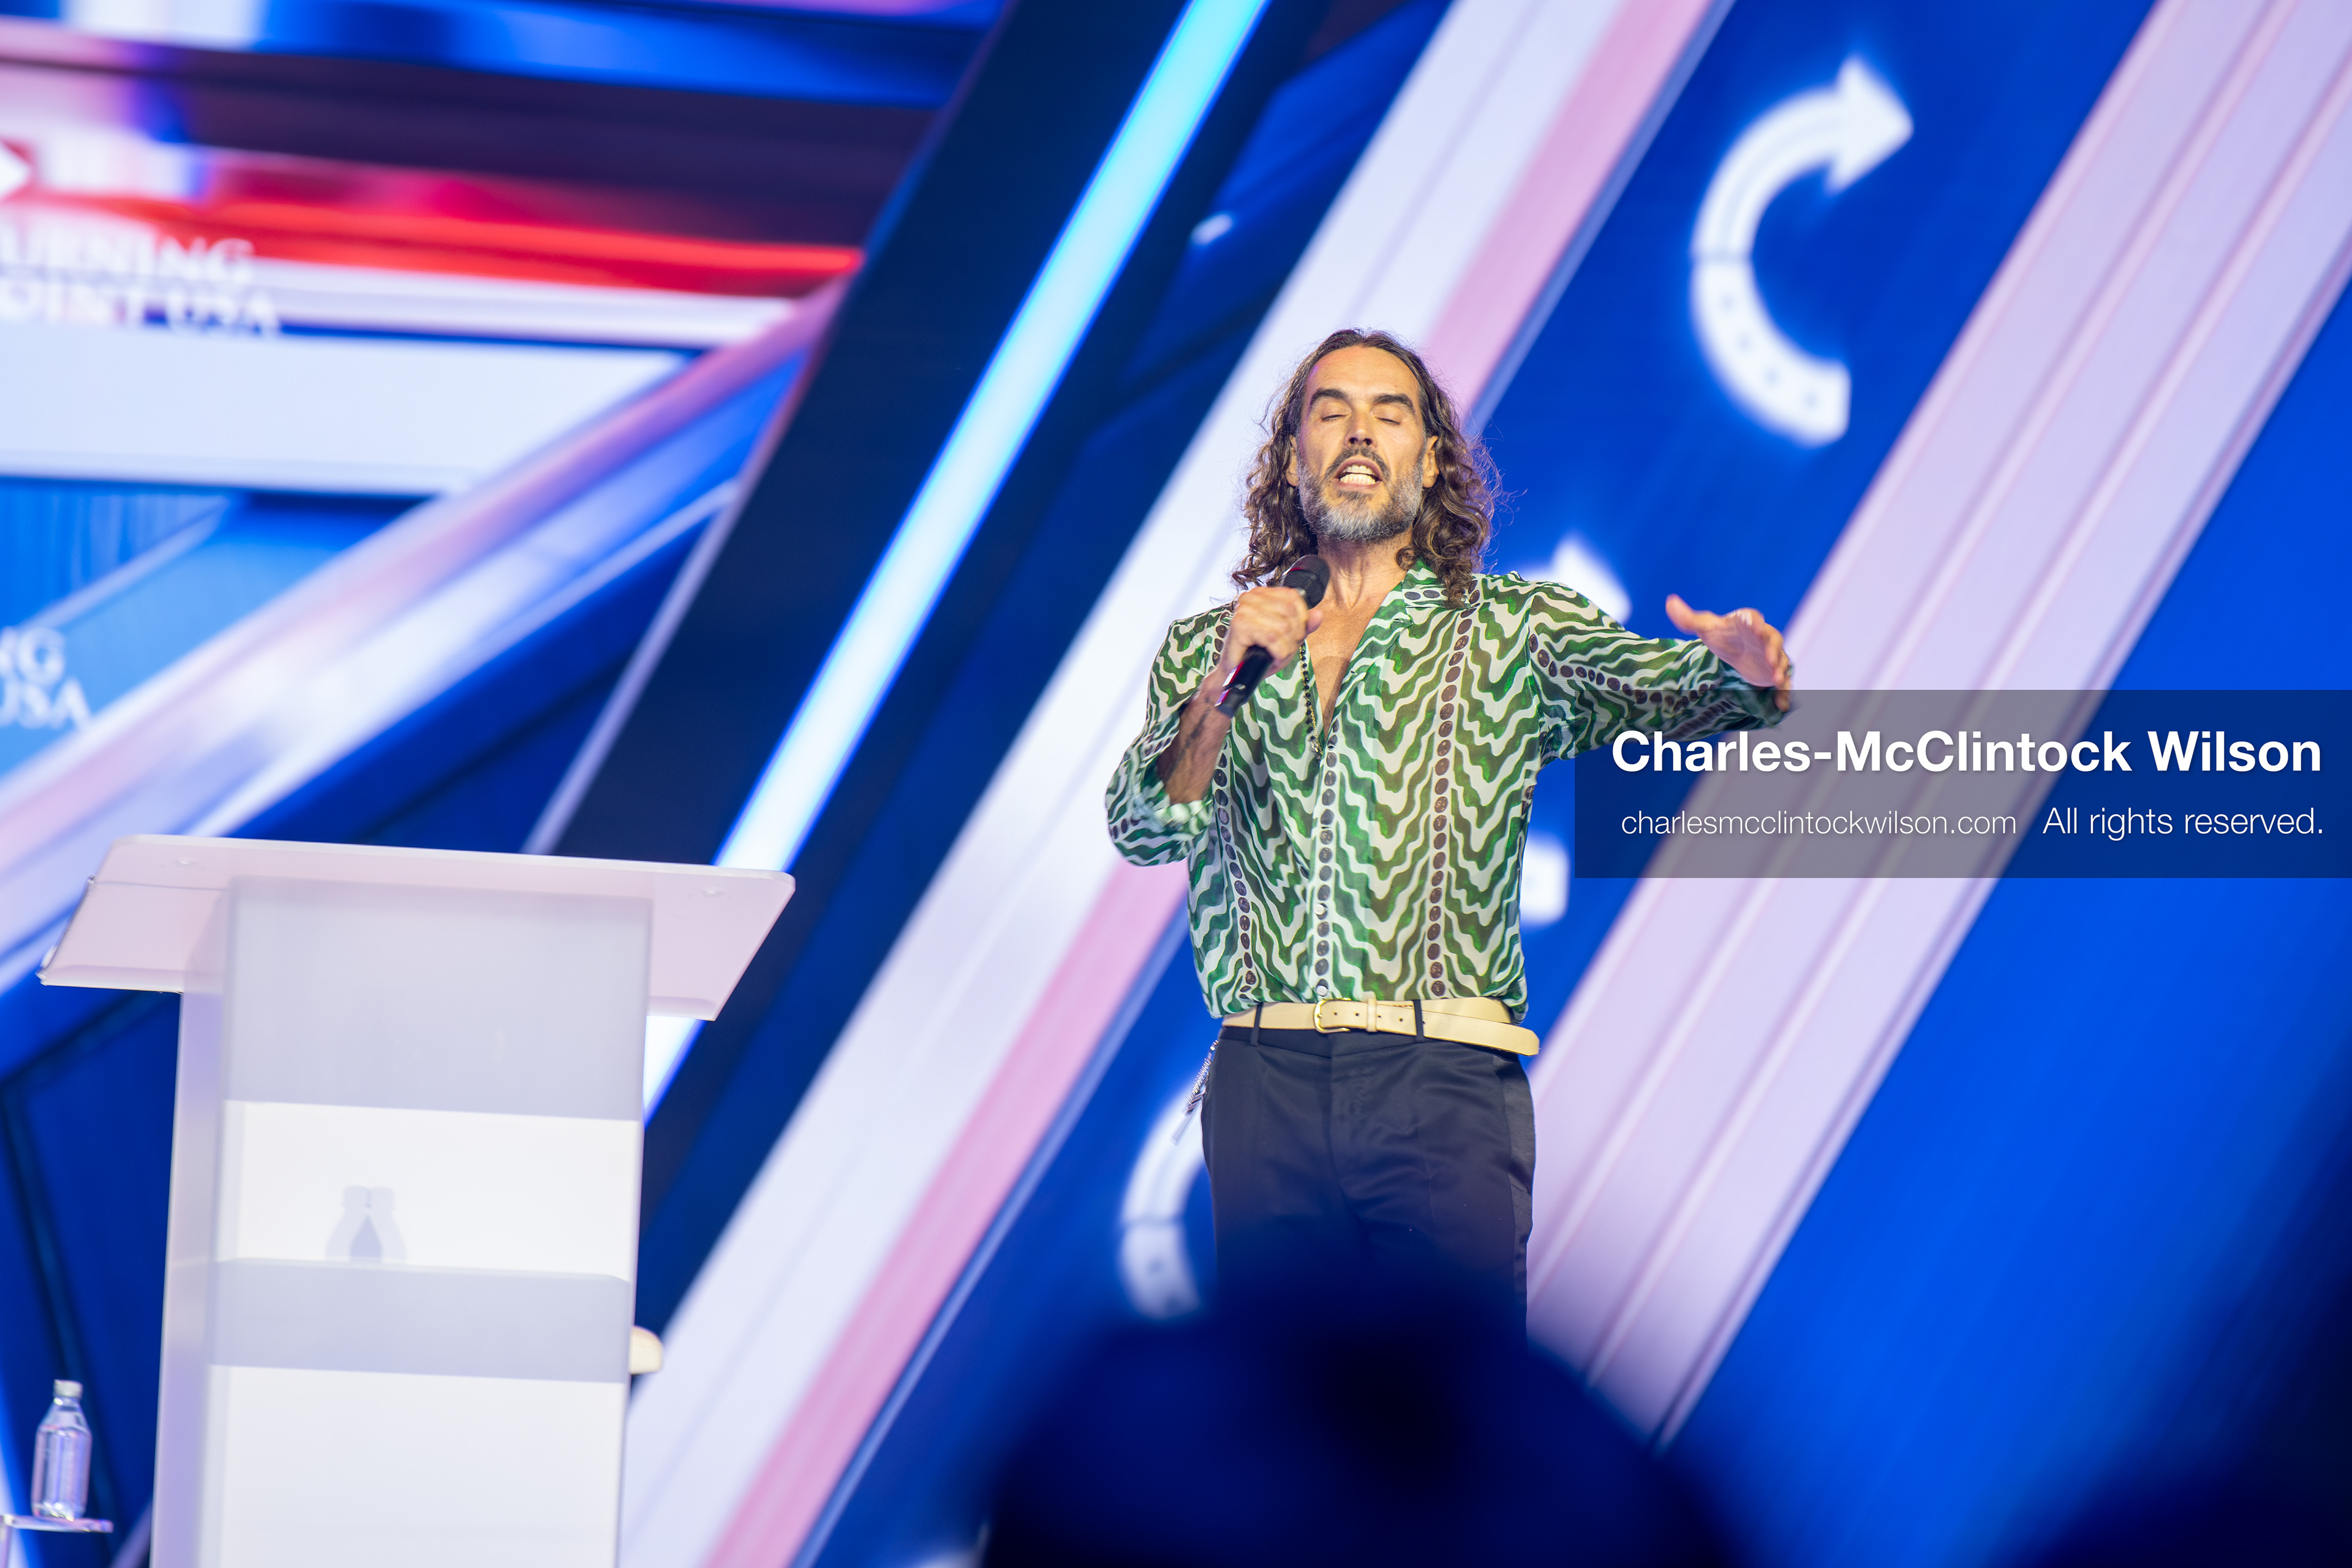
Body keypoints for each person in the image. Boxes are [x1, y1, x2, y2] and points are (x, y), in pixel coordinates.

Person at [1105, 329, 1792, 1312]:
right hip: (1266, 1079)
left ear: (1428, 463)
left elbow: (1669, 689)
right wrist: (1222, 688)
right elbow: (1144, 831)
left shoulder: (1510, 630)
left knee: (1447, 1427)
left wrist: (1741, 664)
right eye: (1330, 410)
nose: (1359, 433)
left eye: (1391, 414)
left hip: (1441, 1076)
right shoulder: (1211, 648)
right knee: (1278, 1434)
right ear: (1291, 453)